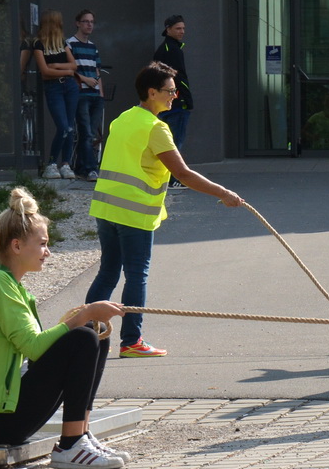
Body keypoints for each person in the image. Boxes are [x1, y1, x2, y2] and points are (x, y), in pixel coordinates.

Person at [0, 188, 130, 469]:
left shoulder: (11, 285)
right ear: (16, 246)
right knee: (83, 337)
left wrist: (83, 318)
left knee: (94, 333)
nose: (48, 252)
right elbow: (34, 347)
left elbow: (37, 350)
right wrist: (83, 315)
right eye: (42, 244)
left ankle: (81, 434)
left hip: (10, 412)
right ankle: (70, 445)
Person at [87, 61, 246, 359]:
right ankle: (131, 342)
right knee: (136, 275)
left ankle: (84, 335)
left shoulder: (122, 119)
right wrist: (224, 193)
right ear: (152, 92)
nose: (175, 96)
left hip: (106, 208)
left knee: (108, 271)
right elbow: (183, 174)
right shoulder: (156, 128)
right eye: (170, 91)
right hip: (134, 213)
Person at [29, 10, 80, 180]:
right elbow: (45, 72)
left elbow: (74, 66)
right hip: (53, 88)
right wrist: (66, 71)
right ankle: (51, 164)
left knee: (70, 127)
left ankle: (65, 164)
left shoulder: (62, 42)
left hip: (70, 87)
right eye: (59, 22)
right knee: (63, 126)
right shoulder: (38, 44)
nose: (61, 25)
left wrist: (56, 66)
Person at [67, 8, 105, 182]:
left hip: (95, 96)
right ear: (78, 23)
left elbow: (97, 71)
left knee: (90, 134)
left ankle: (81, 168)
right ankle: (91, 169)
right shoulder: (70, 44)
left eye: (91, 22)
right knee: (86, 133)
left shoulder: (93, 46)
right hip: (80, 94)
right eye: (86, 21)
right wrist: (85, 79)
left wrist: (101, 94)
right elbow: (69, 70)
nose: (89, 25)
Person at [153, 16, 194, 179]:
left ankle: (167, 177)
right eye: (178, 28)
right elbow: (179, 78)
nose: (182, 31)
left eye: (183, 28)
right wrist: (186, 99)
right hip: (176, 104)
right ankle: (174, 178)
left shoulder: (166, 49)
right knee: (175, 143)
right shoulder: (171, 50)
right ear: (168, 29)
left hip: (166, 103)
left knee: (167, 143)